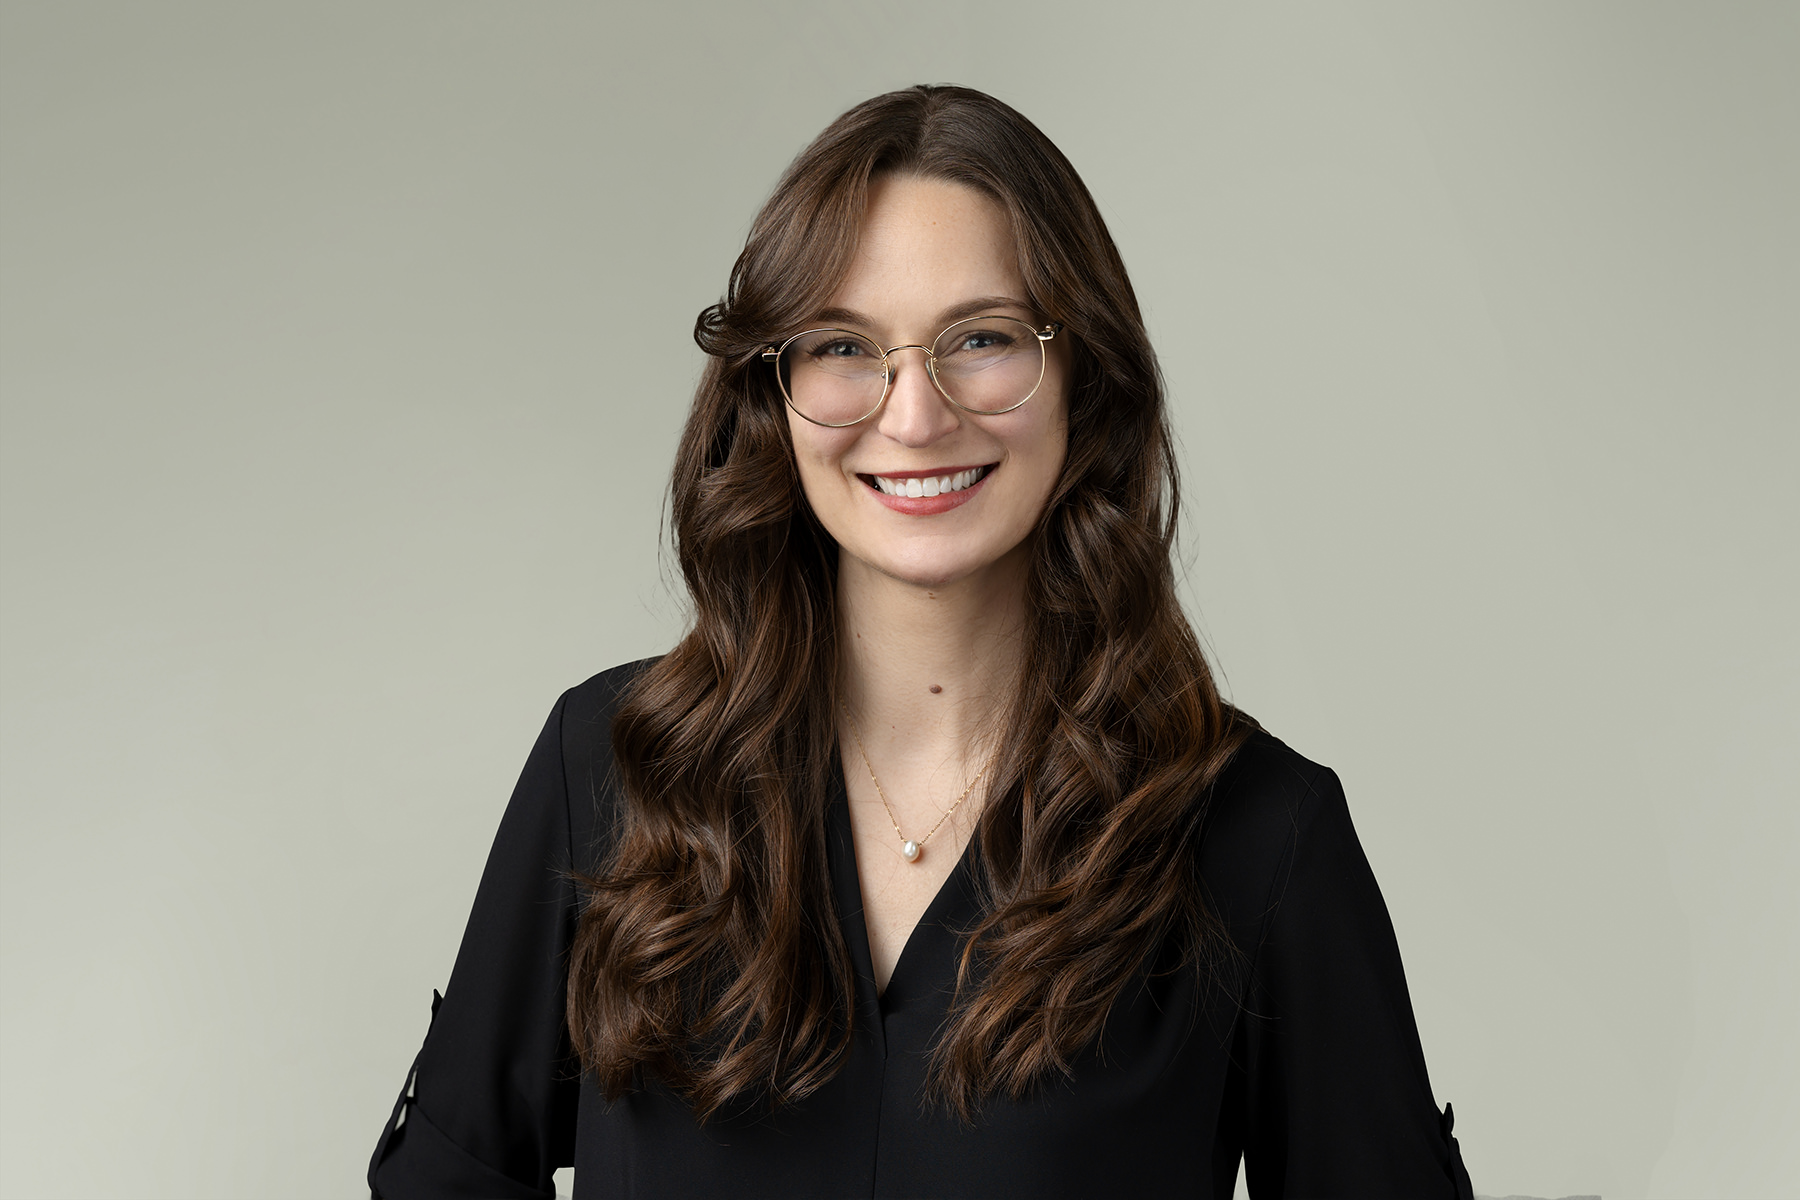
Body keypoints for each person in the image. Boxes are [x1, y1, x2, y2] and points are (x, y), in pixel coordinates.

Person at [368, 84, 1475, 1199]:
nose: (914, 415)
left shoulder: (1260, 838)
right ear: (775, 390)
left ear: (1083, 373)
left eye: (983, 338)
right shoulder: (609, 768)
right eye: (846, 345)